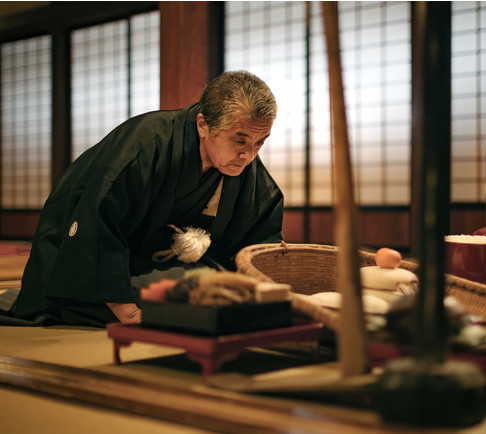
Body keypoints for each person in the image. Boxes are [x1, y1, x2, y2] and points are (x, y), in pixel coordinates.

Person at [9, 70, 284, 327]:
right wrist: (126, 309)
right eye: (240, 140)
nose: (249, 155)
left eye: (260, 142)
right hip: (97, 264)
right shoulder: (146, 144)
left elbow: (260, 229)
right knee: (186, 305)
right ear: (204, 125)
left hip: (159, 264)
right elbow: (98, 220)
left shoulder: (243, 166)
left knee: (215, 294)